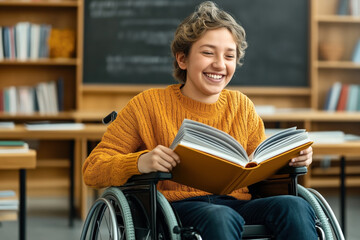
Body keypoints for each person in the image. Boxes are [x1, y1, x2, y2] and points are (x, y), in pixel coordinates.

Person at [83, 1, 317, 239]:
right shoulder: (147, 105)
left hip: (237, 205)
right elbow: (92, 170)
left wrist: (288, 160)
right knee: (219, 216)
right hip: (175, 209)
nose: (219, 64)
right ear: (183, 59)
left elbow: (257, 169)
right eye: (207, 53)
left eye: (229, 56)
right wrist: (140, 162)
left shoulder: (242, 107)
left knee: (295, 207)